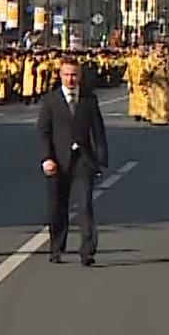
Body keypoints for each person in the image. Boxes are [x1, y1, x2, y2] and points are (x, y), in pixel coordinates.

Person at [37, 57, 107, 266]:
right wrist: (46, 158)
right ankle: (57, 246)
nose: (70, 79)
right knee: (58, 206)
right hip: (58, 161)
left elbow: (98, 131)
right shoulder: (51, 101)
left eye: (74, 75)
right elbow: (43, 132)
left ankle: (87, 249)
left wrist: (100, 159)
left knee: (85, 204)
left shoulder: (88, 100)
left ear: (80, 76)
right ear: (60, 76)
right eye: (67, 75)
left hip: (83, 160)